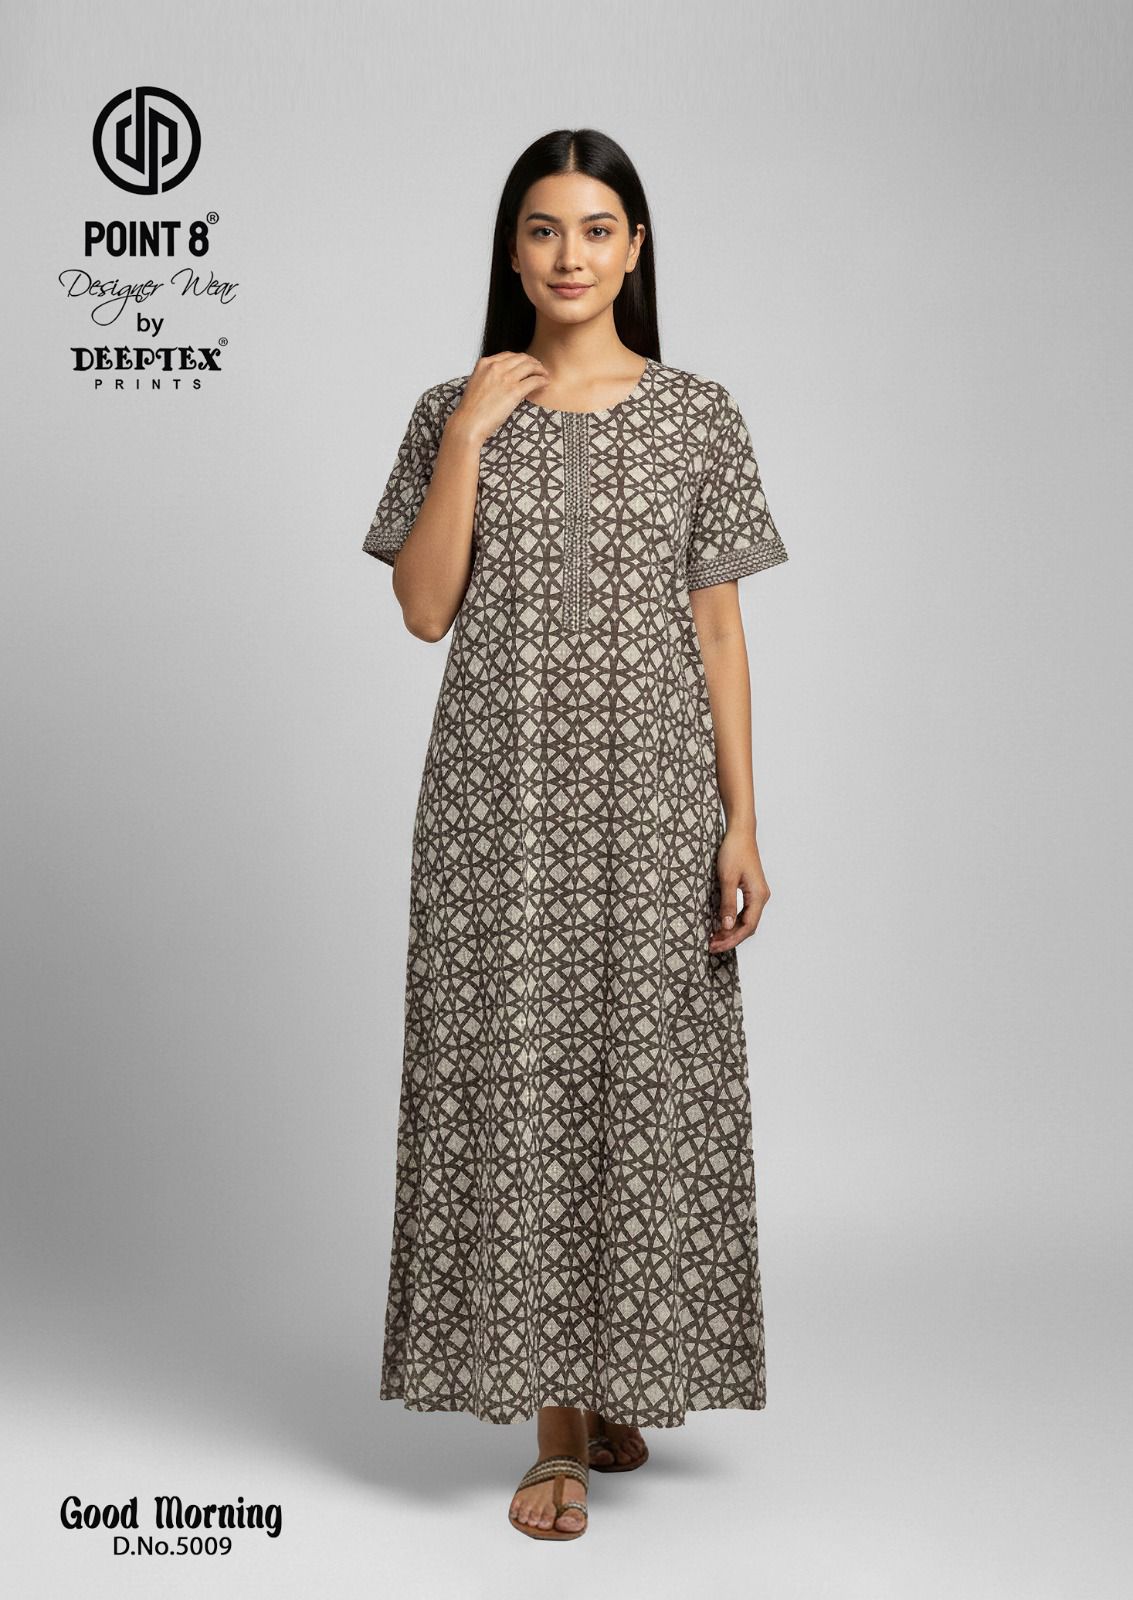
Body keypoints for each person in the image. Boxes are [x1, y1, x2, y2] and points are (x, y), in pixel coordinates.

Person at [361, 128, 789, 1542]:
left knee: (640, 1081)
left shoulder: (699, 415)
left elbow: (717, 629)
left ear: (635, 249)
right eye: (543, 229)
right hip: (500, 806)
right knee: (523, 1081)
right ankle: (555, 1431)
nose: (569, 255)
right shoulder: (450, 406)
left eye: (596, 230)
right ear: (512, 248)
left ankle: (608, 1380)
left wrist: (741, 818)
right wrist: (470, 439)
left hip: (653, 802)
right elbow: (425, 609)